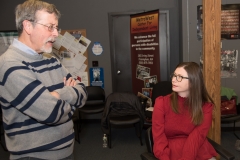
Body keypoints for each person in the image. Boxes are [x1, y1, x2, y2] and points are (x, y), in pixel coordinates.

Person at [0, 0, 87, 159]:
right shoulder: (9, 65)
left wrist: (59, 94)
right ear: (28, 26)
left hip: (67, 151)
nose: (56, 33)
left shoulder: (51, 59)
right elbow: (52, 113)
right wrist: (70, 94)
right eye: (50, 27)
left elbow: (82, 93)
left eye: (56, 27)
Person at [152, 62, 217, 160]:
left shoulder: (205, 107)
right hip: (170, 152)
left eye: (180, 77)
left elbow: (197, 137)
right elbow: (159, 137)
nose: (174, 80)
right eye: (174, 75)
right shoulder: (161, 103)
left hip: (197, 150)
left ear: (193, 82)